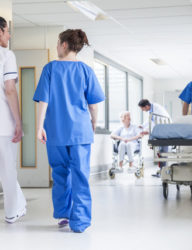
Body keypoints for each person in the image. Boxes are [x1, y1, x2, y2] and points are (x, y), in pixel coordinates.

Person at [33, 29, 105, 233]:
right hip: (80, 132)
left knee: (60, 173)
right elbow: (93, 104)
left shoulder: (50, 69)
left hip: (55, 131)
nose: (56, 46)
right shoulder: (85, 71)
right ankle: (80, 221)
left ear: (64, 45)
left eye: (57, 43)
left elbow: (43, 100)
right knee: (80, 175)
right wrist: (93, 123)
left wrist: (39, 128)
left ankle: (64, 213)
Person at [0, 16, 26, 223]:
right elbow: (10, 89)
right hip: (3, 125)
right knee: (8, 169)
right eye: (7, 31)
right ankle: (10, 214)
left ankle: (19, 204)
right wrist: (18, 122)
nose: (9, 35)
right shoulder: (6, 55)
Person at [138, 99, 171, 177]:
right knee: (161, 152)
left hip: (165, 131)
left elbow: (156, 122)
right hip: (161, 131)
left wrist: (148, 131)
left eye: (142, 109)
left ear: (146, 106)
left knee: (163, 152)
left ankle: (164, 172)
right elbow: (151, 120)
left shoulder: (156, 109)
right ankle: (162, 171)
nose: (142, 110)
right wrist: (142, 126)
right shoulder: (152, 109)